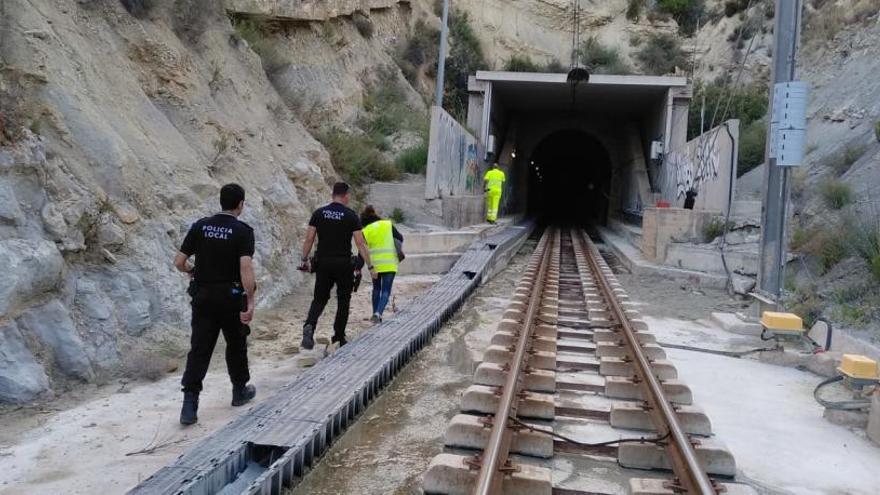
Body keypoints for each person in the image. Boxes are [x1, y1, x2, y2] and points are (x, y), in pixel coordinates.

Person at [173, 183, 257, 426]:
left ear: (220, 201)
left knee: (200, 347)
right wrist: (250, 301)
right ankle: (239, 391)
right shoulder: (243, 231)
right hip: (231, 296)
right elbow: (246, 268)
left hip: (204, 296)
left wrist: (192, 271)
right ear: (240, 204)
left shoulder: (200, 226)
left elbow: (179, 261)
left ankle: (189, 405)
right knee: (236, 343)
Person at [299, 182, 376, 350]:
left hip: (323, 263)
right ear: (346, 195)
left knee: (319, 298)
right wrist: (370, 266)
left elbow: (309, 239)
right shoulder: (350, 215)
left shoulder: (319, 213)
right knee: (343, 300)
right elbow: (360, 243)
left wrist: (304, 259)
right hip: (343, 264)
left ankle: (309, 326)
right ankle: (338, 336)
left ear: (333, 194)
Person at [360, 205, 404, 324]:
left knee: (376, 288)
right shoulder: (387, 224)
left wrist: (358, 267)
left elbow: (362, 250)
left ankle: (375, 314)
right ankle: (378, 313)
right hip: (389, 263)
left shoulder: (366, 230)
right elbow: (400, 237)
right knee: (386, 290)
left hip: (375, 265)